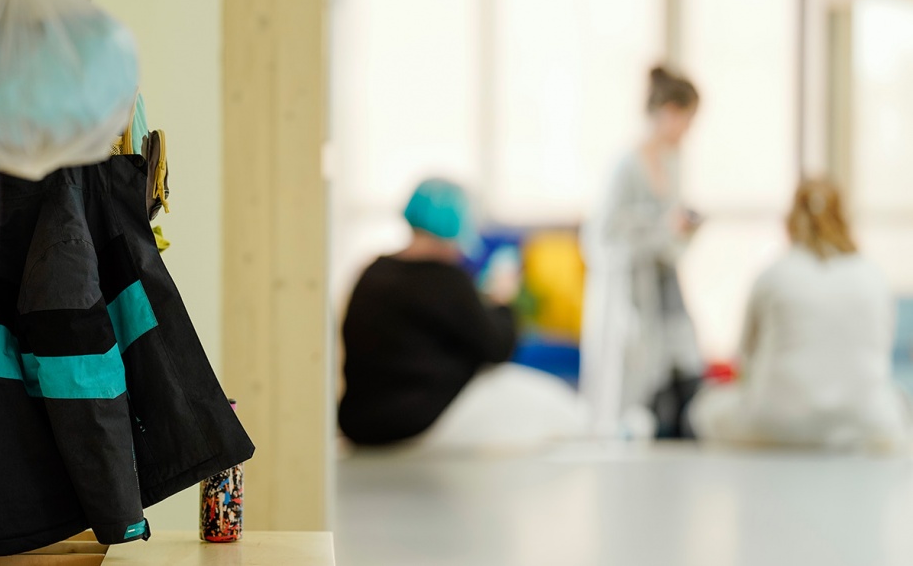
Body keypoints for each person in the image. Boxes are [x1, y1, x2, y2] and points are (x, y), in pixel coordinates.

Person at [338, 179, 586, 449]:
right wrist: (503, 300)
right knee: (561, 409)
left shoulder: (373, 272)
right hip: (417, 422)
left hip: (360, 422)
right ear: (456, 225)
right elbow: (498, 348)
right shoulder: (446, 280)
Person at [690, 180, 911, 451]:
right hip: (866, 424)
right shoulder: (873, 275)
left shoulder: (773, 275)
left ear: (790, 221)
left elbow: (744, 359)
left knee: (704, 408)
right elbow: (880, 353)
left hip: (775, 425)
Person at [580, 65, 704, 439]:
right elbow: (599, 240)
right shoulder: (625, 166)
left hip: (663, 284)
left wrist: (679, 230)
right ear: (668, 111)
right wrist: (657, 230)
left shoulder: (672, 162)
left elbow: (669, 236)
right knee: (623, 384)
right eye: (687, 119)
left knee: (676, 369)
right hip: (624, 290)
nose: (688, 130)